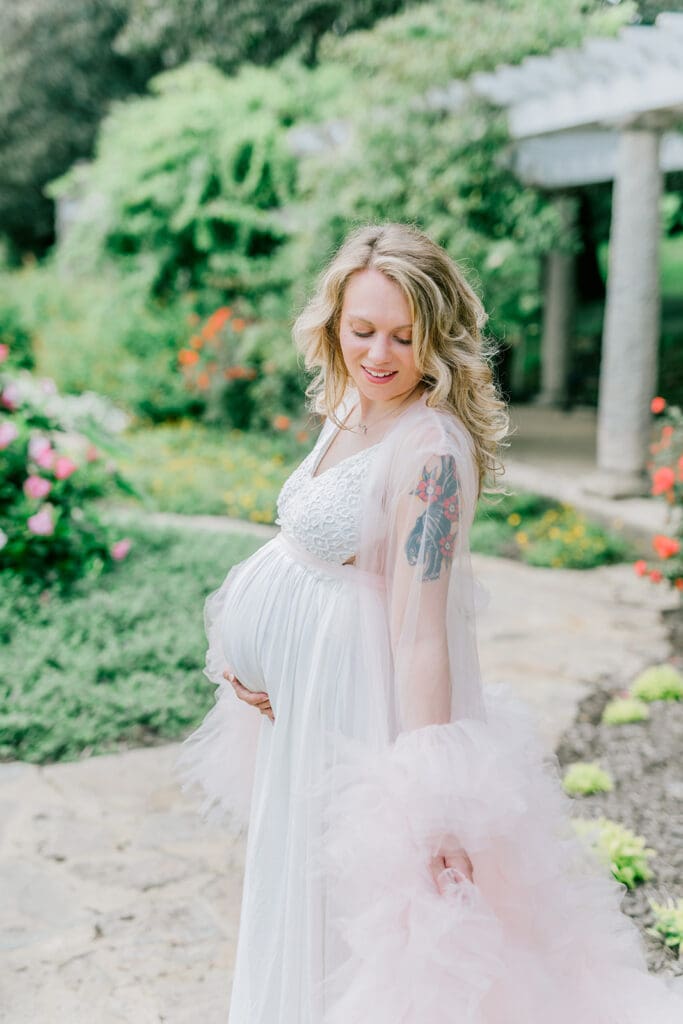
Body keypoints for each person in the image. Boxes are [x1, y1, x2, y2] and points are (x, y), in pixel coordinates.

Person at [175, 223, 683, 1024]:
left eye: (404, 337)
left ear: (438, 337)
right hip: (303, 702)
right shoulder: (351, 403)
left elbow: (418, 634)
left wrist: (430, 802)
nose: (379, 354)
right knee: (298, 889)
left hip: (355, 704)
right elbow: (307, 551)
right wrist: (256, 658)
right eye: (362, 329)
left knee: (363, 920)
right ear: (333, 324)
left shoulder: (431, 453)